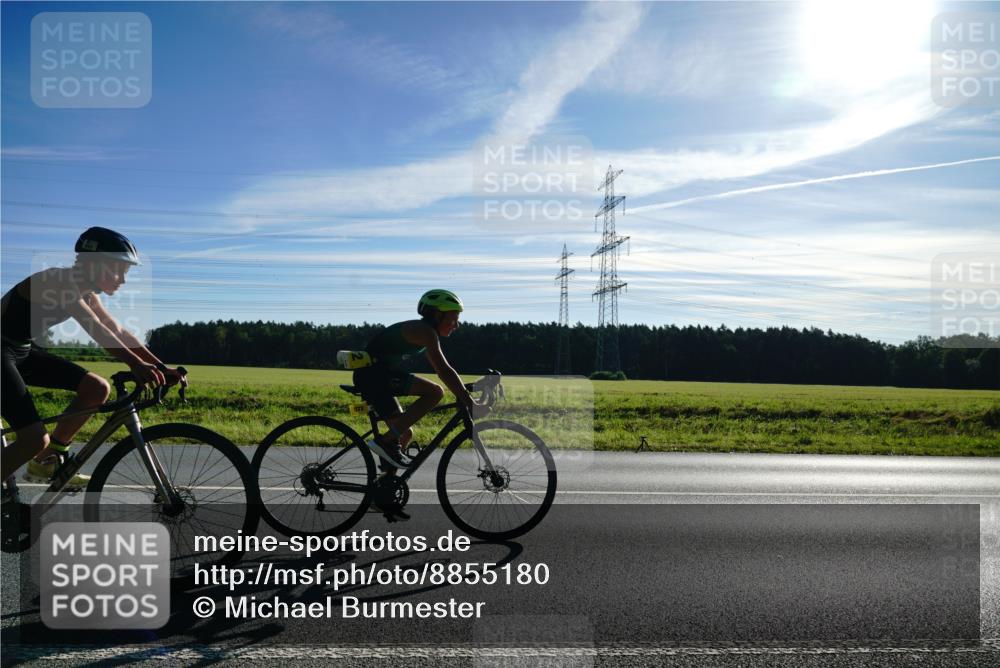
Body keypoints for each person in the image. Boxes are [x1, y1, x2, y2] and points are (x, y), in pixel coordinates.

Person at [1, 227, 181, 492]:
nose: (122, 279)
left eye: (126, 272)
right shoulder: (58, 281)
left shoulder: (87, 292)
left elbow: (117, 330)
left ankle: (47, 462)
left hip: (20, 351)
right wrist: (134, 364)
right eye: (118, 270)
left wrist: (160, 367)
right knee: (33, 439)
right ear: (93, 264)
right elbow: (95, 327)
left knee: (97, 388)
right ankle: (41, 452)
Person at [353, 289, 484, 471]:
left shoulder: (423, 330)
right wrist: (468, 401)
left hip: (376, 376)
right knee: (435, 392)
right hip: (374, 377)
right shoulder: (425, 332)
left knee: (404, 434)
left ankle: (386, 486)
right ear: (438, 315)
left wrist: (464, 393)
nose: (457, 325)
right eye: (454, 318)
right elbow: (443, 370)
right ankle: (386, 442)